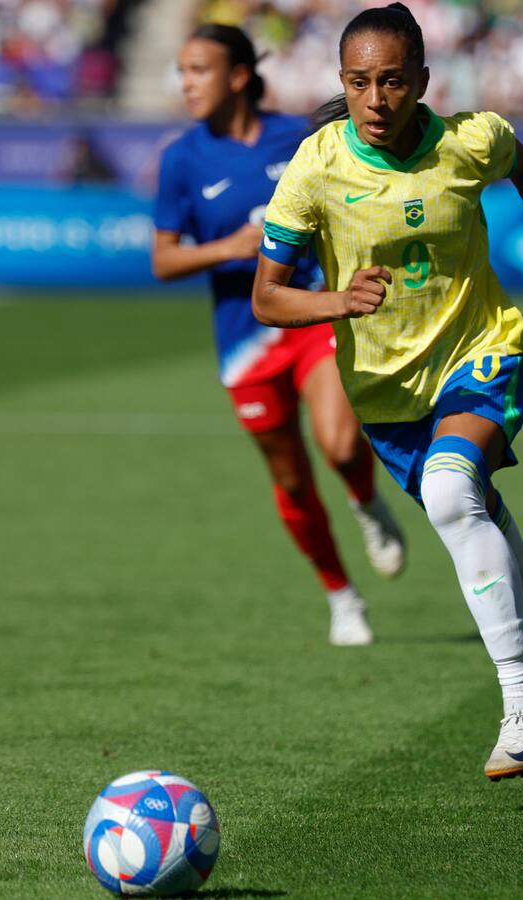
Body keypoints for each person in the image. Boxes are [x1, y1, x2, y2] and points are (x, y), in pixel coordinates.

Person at [251, 3, 523, 780]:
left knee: (451, 495)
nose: (374, 99)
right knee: (471, 519)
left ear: (421, 82)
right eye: (357, 82)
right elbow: (268, 298)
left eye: (391, 81)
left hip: (482, 353)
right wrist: (335, 302)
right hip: (385, 392)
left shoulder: (468, 140)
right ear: (341, 83)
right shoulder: (315, 168)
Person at [152, 23, 406, 647]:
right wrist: (227, 249)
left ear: (238, 76)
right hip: (244, 338)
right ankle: (342, 597)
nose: (186, 84)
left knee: (342, 444)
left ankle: (367, 502)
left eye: (198, 70)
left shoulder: (297, 136)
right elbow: (162, 261)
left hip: (310, 311)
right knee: (291, 479)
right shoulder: (181, 159)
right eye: (182, 72)